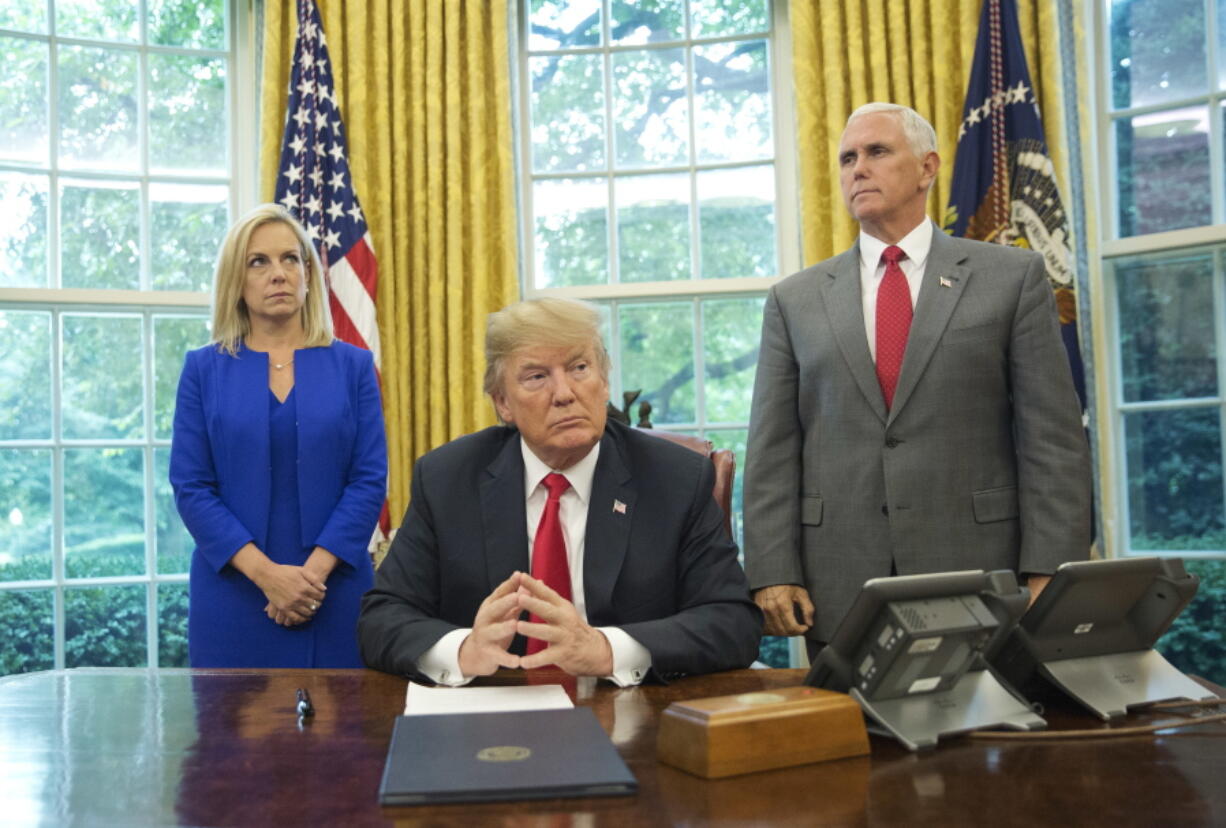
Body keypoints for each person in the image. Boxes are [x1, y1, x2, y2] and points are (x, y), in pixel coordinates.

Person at [743, 103, 1092, 655]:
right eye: (847, 158)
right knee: (854, 742)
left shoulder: (1010, 278)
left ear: (928, 168)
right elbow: (772, 448)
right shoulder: (795, 299)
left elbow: (1052, 438)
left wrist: (1050, 565)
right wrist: (771, 568)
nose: (858, 168)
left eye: (877, 152)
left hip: (979, 573)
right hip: (839, 581)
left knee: (985, 736)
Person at [358, 297, 762, 684]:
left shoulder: (675, 478)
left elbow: (733, 622)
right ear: (503, 403)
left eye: (580, 368)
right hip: (493, 720)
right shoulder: (448, 479)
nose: (565, 393)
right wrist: (463, 650)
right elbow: (383, 617)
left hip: (630, 713)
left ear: (604, 382)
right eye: (537, 377)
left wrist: (607, 649)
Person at [170, 204, 387, 667]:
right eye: (259, 262)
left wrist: (308, 580)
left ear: (308, 275)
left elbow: (368, 480)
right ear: (236, 279)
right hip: (233, 591)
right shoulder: (203, 370)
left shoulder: (353, 366)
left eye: (291, 259)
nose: (279, 274)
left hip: (335, 589)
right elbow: (191, 487)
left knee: (346, 735)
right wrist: (268, 576)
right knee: (235, 735)